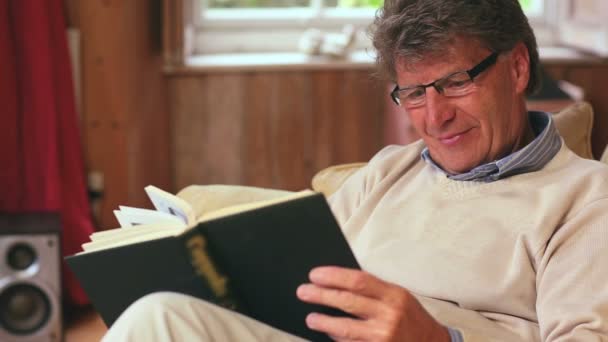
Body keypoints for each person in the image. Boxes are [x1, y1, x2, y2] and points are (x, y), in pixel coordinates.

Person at [103, 0, 608, 341]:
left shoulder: (584, 199)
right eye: (414, 92)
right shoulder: (388, 172)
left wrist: (438, 339)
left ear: (518, 68)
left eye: (455, 83)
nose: (434, 118)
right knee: (160, 311)